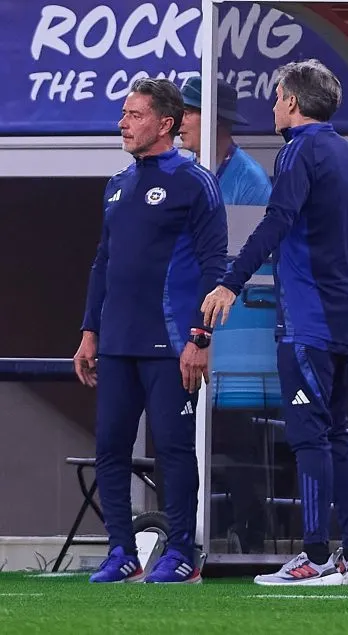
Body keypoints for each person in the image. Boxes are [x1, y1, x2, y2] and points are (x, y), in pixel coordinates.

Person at [200, 59, 348, 587]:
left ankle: (317, 556)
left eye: (278, 98)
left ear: (294, 103)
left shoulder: (298, 151)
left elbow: (275, 222)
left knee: (309, 439)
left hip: (309, 320)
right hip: (345, 318)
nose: (274, 106)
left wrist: (230, 283)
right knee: (338, 435)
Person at [73, 77, 228, 584]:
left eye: (135, 115)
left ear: (166, 123)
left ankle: (182, 552)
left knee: (174, 449)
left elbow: (213, 267)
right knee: (110, 448)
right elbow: (102, 262)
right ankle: (122, 551)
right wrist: (89, 332)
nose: (123, 124)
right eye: (123, 114)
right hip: (117, 342)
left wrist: (200, 339)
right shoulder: (116, 184)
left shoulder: (193, 181)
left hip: (171, 343)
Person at [179, 74, 274, 554]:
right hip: (195, 333)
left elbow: (240, 268)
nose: (179, 125)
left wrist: (211, 335)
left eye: (189, 114)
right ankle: (188, 535)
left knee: (236, 449)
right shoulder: (183, 172)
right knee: (183, 438)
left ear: (214, 120)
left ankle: (244, 536)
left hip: (238, 348)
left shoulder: (249, 182)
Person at [178, 75, 272, 206]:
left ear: (214, 119)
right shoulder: (182, 172)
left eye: (186, 113)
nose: (179, 122)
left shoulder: (251, 180)